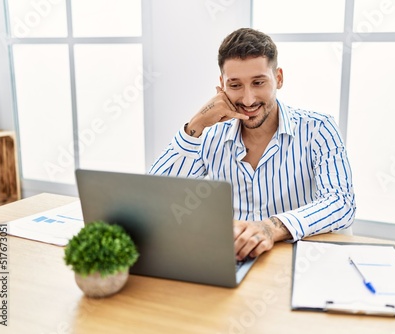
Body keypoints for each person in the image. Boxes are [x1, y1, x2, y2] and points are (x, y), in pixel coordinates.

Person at [149, 28, 355, 261]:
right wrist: (196, 124)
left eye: (258, 82)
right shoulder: (208, 134)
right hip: (230, 261)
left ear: (278, 78)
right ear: (222, 85)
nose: (248, 99)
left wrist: (271, 228)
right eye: (235, 85)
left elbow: (341, 202)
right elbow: (156, 198)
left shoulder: (318, 128)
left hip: (295, 262)